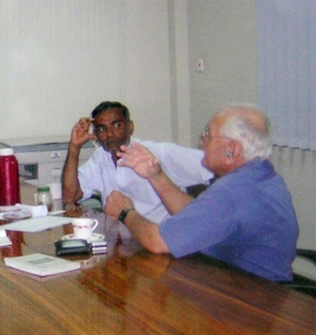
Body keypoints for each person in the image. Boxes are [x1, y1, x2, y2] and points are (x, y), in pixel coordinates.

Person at [104, 105, 299, 282]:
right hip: (246, 283)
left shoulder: (232, 192)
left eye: (208, 135)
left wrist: (125, 212)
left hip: (249, 298)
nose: (202, 142)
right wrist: (156, 176)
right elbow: (197, 215)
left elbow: (158, 241)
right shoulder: (261, 176)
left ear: (232, 150)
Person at [62, 101, 213, 223]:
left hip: (160, 240)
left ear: (131, 127)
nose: (110, 134)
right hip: (122, 242)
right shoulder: (100, 158)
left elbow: (217, 167)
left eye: (117, 126)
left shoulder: (158, 153)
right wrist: (74, 147)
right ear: (95, 135)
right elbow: (71, 197)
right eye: (102, 129)